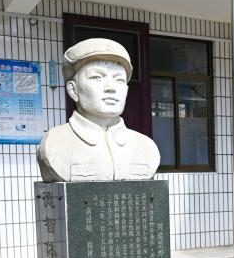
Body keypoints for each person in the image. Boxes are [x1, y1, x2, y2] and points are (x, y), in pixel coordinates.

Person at [36, 37, 160, 182]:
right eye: (97, 77)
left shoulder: (147, 148)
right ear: (73, 90)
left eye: (119, 79)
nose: (111, 88)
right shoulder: (55, 144)